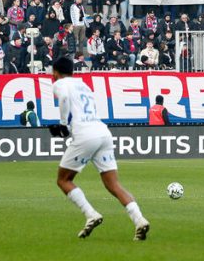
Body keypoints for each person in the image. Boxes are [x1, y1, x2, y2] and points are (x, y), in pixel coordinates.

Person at [51, 56, 150, 241]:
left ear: (55, 72)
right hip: (102, 132)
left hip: (85, 134)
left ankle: (90, 214)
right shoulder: (83, 85)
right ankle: (139, 219)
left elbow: (64, 97)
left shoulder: (60, 84)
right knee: (113, 184)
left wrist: (63, 123)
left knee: (63, 180)